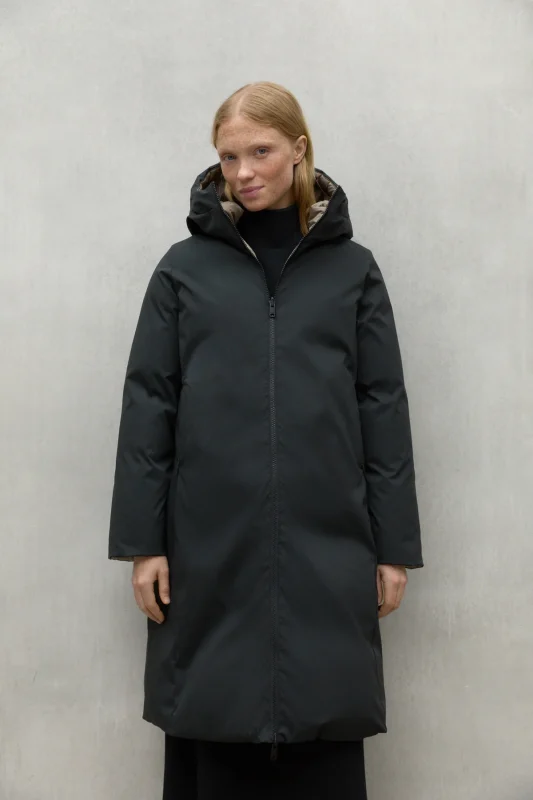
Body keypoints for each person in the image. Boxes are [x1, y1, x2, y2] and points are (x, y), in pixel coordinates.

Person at [108, 81, 424, 799]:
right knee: (214, 709)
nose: (243, 171)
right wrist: (143, 544)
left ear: (298, 150)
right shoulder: (183, 269)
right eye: (228, 157)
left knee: (325, 707)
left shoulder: (353, 270)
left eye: (260, 152)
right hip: (208, 539)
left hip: (329, 537)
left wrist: (393, 548)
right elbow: (148, 404)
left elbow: (383, 408)